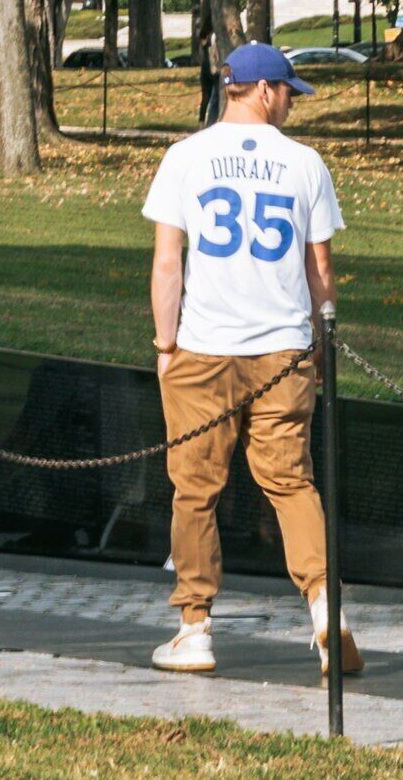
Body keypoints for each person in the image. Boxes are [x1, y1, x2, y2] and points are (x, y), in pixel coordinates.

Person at [142, 44, 349, 677]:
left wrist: (164, 344)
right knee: (290, 482)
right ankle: (324, 612)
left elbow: (168, 261)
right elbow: (320, 271)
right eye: (288, 91)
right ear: (262, 91)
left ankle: (195, 627)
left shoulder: (184, 157)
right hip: (282, 349)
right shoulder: (304, 163)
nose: (292, 100)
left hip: (203, 347)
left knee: (195, 490)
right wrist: (321, 341)